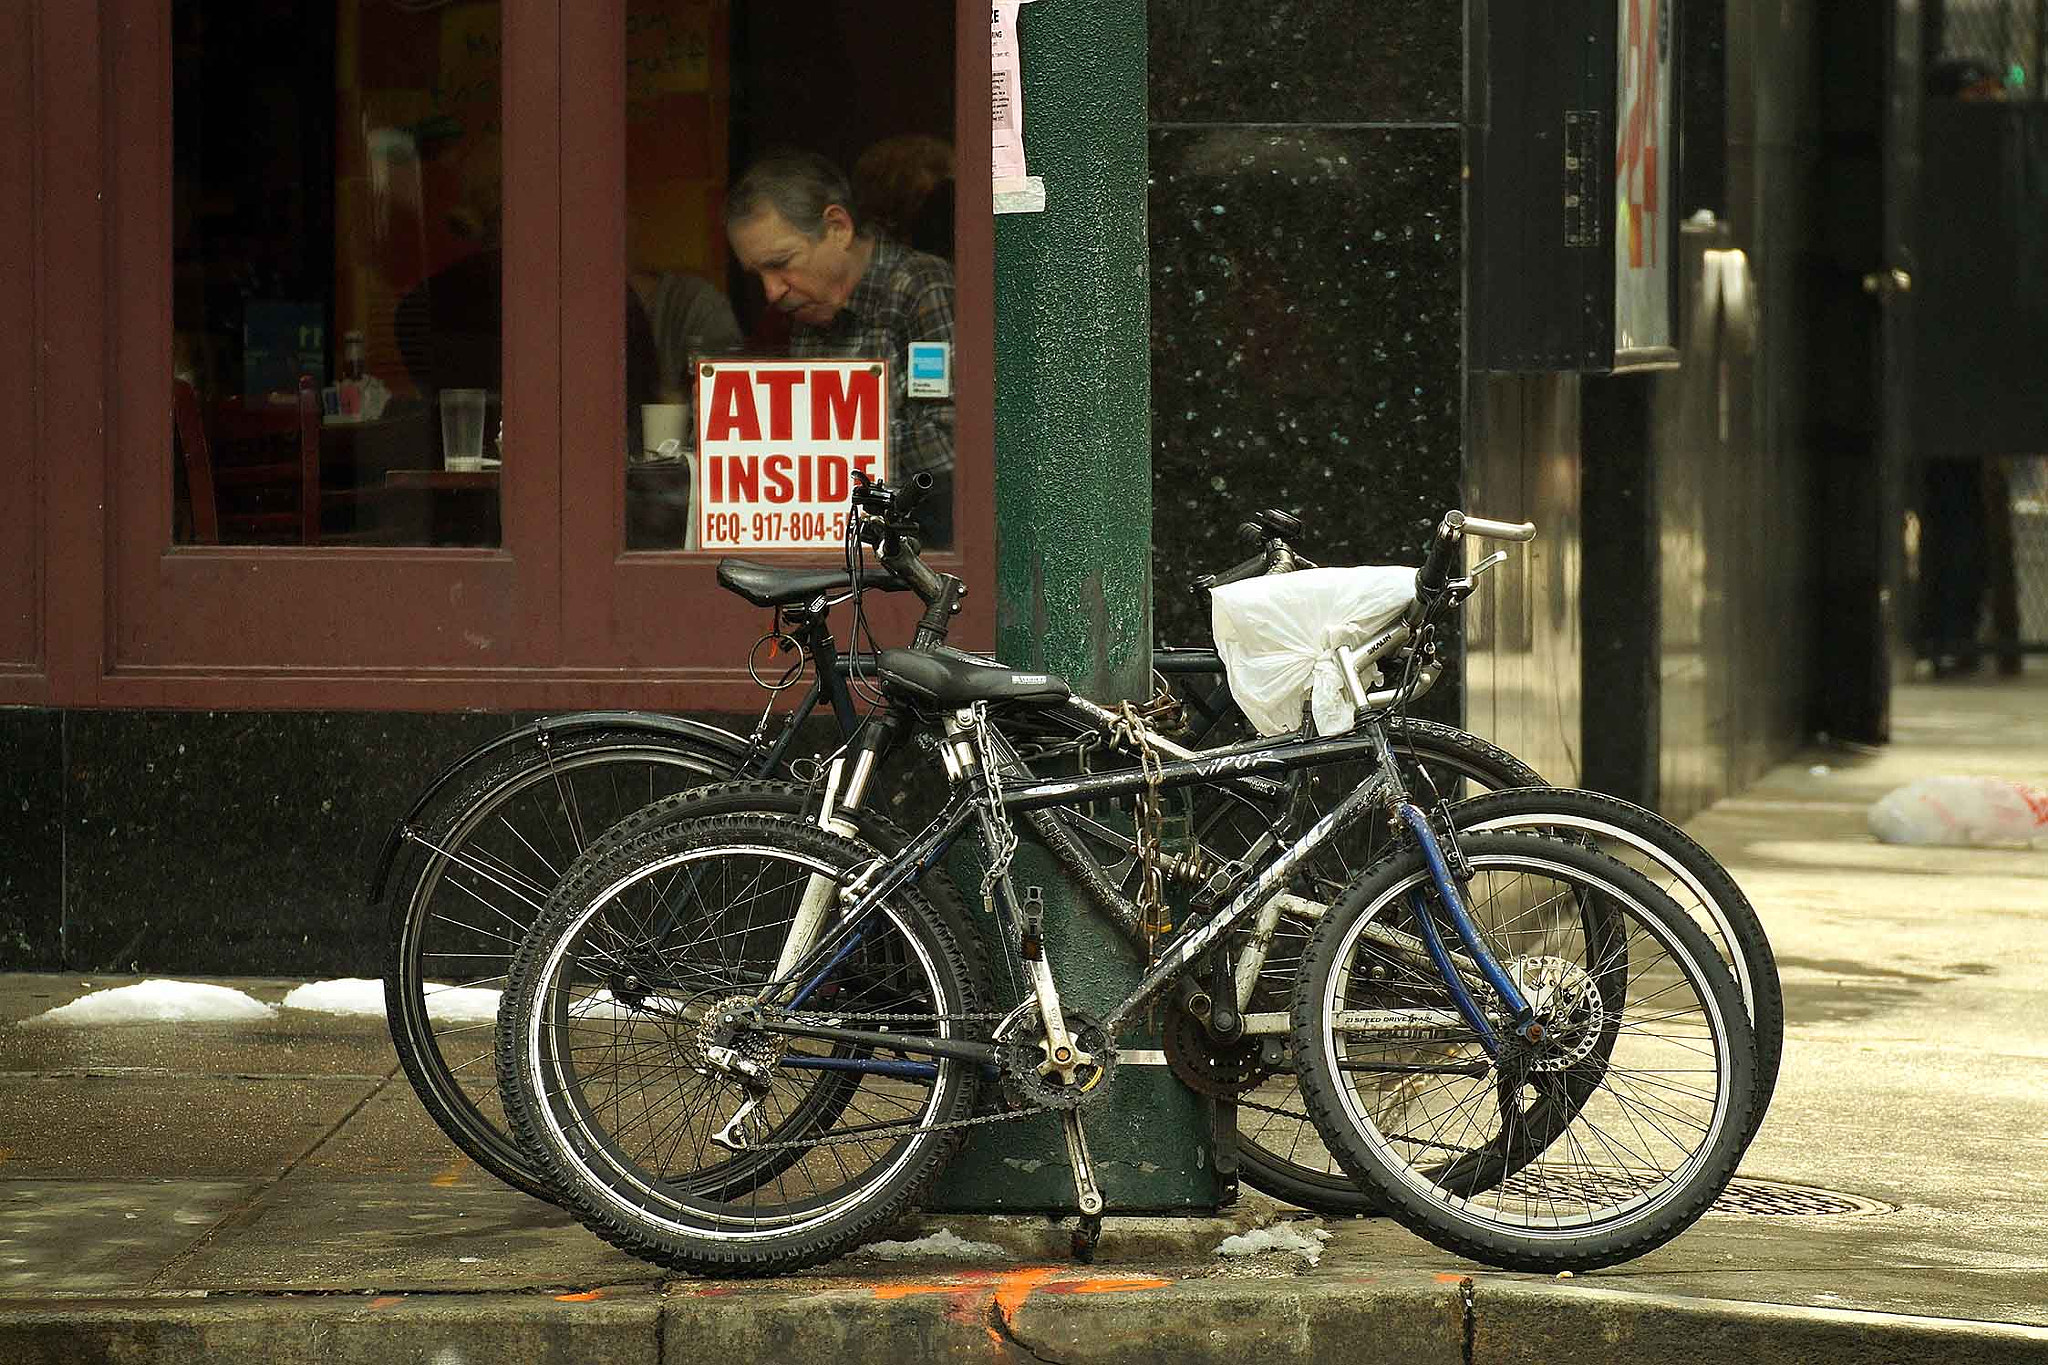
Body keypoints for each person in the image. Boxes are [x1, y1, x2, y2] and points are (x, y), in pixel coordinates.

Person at [724, 149, 956, 545]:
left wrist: (825, 455)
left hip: (920, 549)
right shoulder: (808, 310)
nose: (771, 290)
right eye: (758, 273)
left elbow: (950, 443)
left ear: (838, 227)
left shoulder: (920, 288)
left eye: (781, 262)